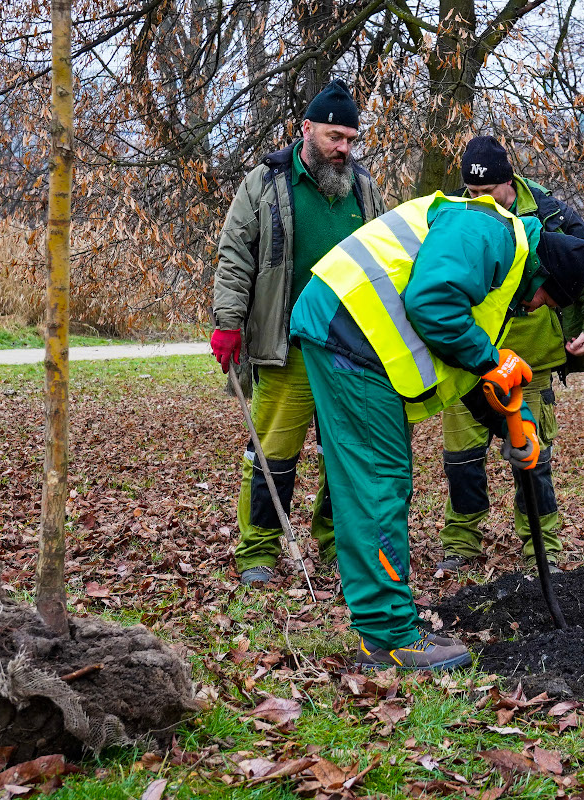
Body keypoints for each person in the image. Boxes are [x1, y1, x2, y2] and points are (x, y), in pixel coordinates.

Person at [291, 191, 584, 669]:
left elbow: (470, 371)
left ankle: (384, 628)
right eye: (545, 300)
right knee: (377, 485)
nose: (535, 308)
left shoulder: (496, 269)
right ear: (543, 277)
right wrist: (491, 360)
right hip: (348, 332)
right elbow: (431, 303)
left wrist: (514, 425)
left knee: (380, 483)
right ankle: (389, 638)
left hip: (353, 337)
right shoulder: (491, 233)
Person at [211, 79, 386, 586]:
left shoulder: (364, 188)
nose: (344, 149)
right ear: (306, 129)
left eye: (351, 140)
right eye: (335, 137)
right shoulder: (264, 183)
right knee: (272, 455)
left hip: (350, 350)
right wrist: (227, 324)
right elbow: (234, 257)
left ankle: (336, 544)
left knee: (346, 458)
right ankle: (259, 553)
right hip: (286, 348)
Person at [435, 136, 584, 573]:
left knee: (531, 457)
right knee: (461, 458)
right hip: (469, 357)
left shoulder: (551, 213)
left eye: (486, 193)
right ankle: (461, 543)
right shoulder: (453, 214)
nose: (478, 200)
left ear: (509, 182)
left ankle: (542, 547)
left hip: (532, 362)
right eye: (471, 192)